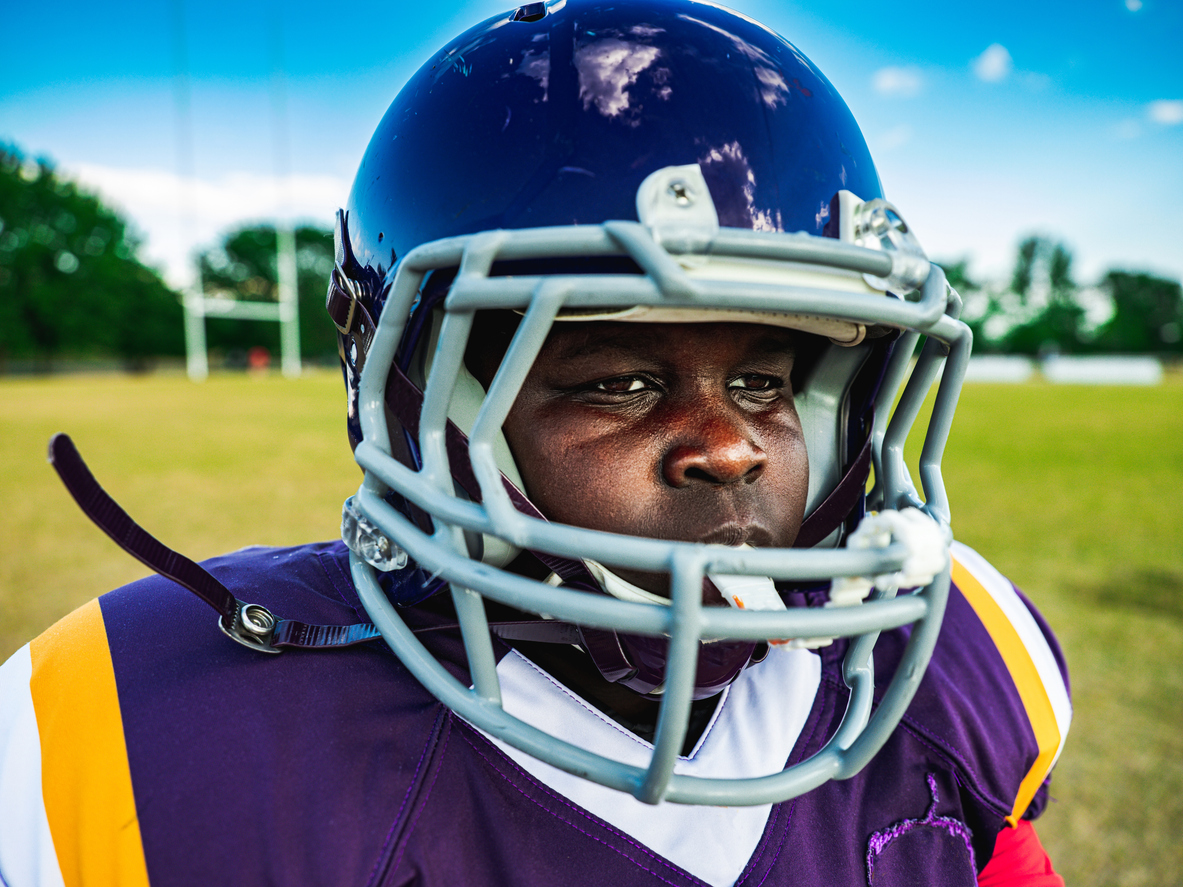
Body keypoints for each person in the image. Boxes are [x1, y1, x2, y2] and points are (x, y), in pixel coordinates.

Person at [0, 2, 1071, 885]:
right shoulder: (145, 744)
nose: (728, 448)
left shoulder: (948, 665)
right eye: (619, 381)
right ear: (426, 403)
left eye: (764, 379)